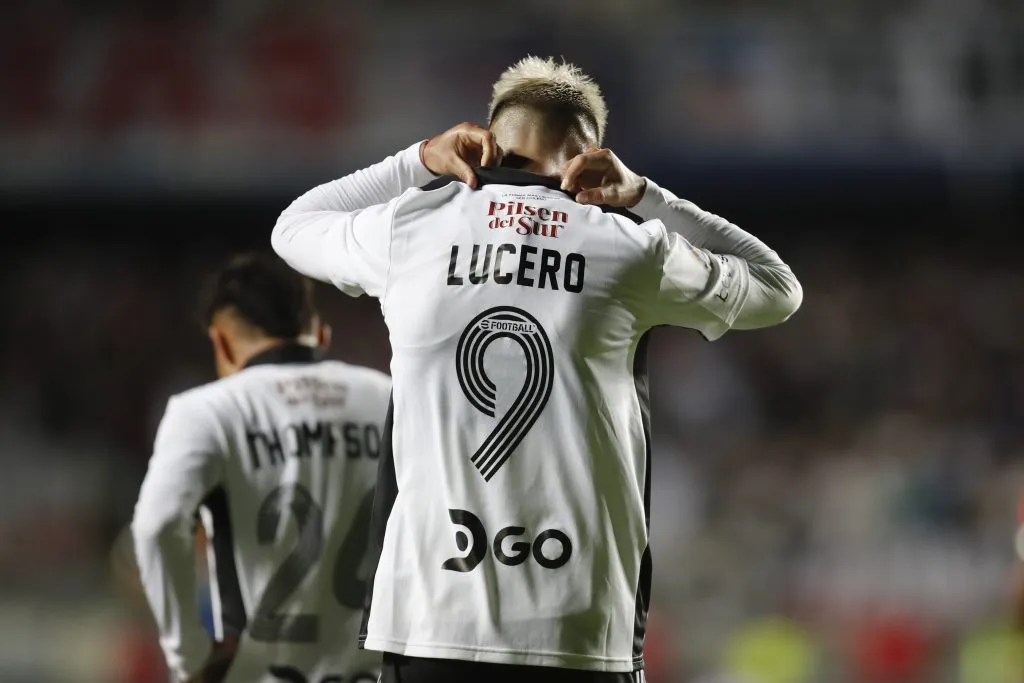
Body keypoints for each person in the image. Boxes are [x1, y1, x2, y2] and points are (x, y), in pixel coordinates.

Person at [272, 56, 803, 683]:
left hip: (432, 618)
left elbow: (293, 227)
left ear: (488, 141)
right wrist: (645, 196)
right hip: (578, 624)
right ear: (591, 157)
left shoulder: (410, 228)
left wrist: (416, 159)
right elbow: (778, 288)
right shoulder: (628, 245)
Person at [131, 253, 389, 683]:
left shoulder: (208, 411)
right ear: (320, 334)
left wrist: (189, 656)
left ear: (223, 343)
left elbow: (157, 526)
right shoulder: (386, 397)